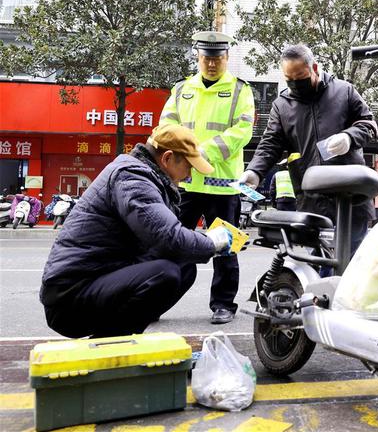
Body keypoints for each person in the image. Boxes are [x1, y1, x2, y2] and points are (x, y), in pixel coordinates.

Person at [40, 125, 233, 338]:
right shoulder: (132, 179)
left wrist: (203, 244)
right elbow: (168, 237)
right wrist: (211, 242)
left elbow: (167, 241)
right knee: (165, 274)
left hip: (100, 277)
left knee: (184, 266)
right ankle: (112, 344)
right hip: (69, 297)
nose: (189, 176)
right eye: (188, 167)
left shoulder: (147, 177)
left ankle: (117, 336)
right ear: (167, 158)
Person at [239, 44, 378, 255]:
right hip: (314, 200)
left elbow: (368, 125)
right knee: (321, 261)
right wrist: (255, 171)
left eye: (300, 76)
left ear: (314, 67)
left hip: (351, 197)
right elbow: (270, 144)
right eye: (289, 78)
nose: (295, 83)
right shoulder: (282, 105)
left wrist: (349, 137)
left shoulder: (344, 91)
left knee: (351, 262)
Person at [159, 31, 255, 324]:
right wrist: (185, 154)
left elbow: (242, 132)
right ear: (198, 58)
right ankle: (158, 301)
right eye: (206, 58)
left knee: (226, 248)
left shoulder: (241, 91)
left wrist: (202, 153)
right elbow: (166, 125)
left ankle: (224, 304)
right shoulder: (182, 89)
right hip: (186, 184)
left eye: (217, 59)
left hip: (223, 186)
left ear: (226, 59)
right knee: (175, 245)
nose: (211, 64)